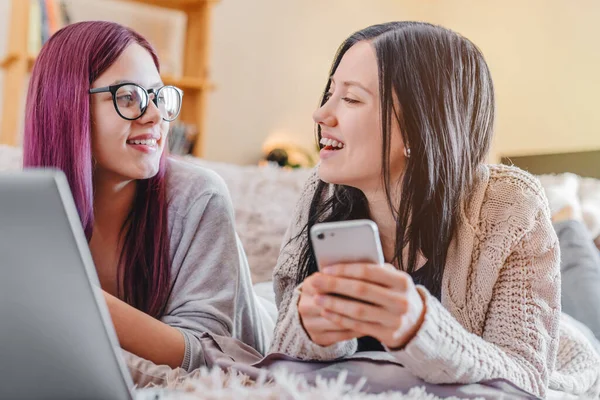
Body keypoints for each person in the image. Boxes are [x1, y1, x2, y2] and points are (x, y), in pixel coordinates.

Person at [269, 21, 600, 398]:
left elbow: (526, 376)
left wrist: (420, 329)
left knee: (585, 287)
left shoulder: (512, 204)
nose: (320, 114)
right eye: (330, 93)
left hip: (570, 349)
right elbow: (281, 351)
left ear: (418, 124)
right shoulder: (323, 190)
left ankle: (570, 225)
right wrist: (311, 331)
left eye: (352, 99)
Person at [23, 21, 269, 373]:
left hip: (266, 325)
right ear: (66, 106)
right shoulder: (24, 206)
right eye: (129, 97)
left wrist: (71, 294)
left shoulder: (200, 195)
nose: (155, 116)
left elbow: (208, 355)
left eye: (158, 96)